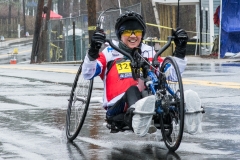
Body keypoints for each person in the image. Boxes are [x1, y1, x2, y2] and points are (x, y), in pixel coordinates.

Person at [82, 11, 188, 133]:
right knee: (133, 90)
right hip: (118, 107)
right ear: (120, 34)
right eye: (127, 32)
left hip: (148, 100)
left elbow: (172, 75)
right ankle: (139, 115)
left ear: (142, 34)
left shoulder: (149, 52)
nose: (133, 36)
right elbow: (88, 73)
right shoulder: (110, 52)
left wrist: (180, 51)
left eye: (137, 32)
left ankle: (185, 111)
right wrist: (92, 51)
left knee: (162, 95)